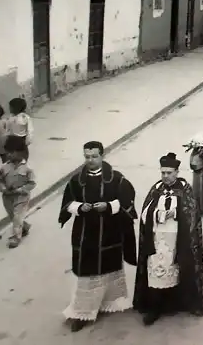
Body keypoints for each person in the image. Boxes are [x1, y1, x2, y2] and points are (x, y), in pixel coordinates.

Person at [58, 141, 138, 332]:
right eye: (87, 157)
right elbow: (67, 203)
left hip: (110, 233)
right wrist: (79, 207)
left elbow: (127, 201)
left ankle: (109, 302)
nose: (90, 160)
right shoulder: (77, 180)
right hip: (85, 234)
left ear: (102, 156)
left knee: (108, 270)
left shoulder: (116, 179)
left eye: (94, 156)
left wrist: (109, 206)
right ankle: (82, 313)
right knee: (87, 274)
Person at [133, 152, 203, 326]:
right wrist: (157, 214)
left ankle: (176, 303)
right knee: (156, 270)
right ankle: (154, 307)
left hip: (177, 239)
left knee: (176, 269)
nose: (165, 176)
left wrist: (177, 213)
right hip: (157, 239)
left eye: (169, 173)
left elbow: (192, 213)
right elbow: (144, 213)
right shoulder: (156, 188)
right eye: (163, 172)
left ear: (177, 172)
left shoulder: (185, 189)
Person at [0, 135, 35, 249]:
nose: (9, 155)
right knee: (13, 216)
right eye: (8, 152)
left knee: (17, 216)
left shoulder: (27, 168)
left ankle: (15, 237)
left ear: (20, 152)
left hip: (21, 197)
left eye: (11, 152)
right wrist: (3, 189)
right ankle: (25, 226)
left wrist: (21, 190)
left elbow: (32, 183)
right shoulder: (4, 167)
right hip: (7, 197)